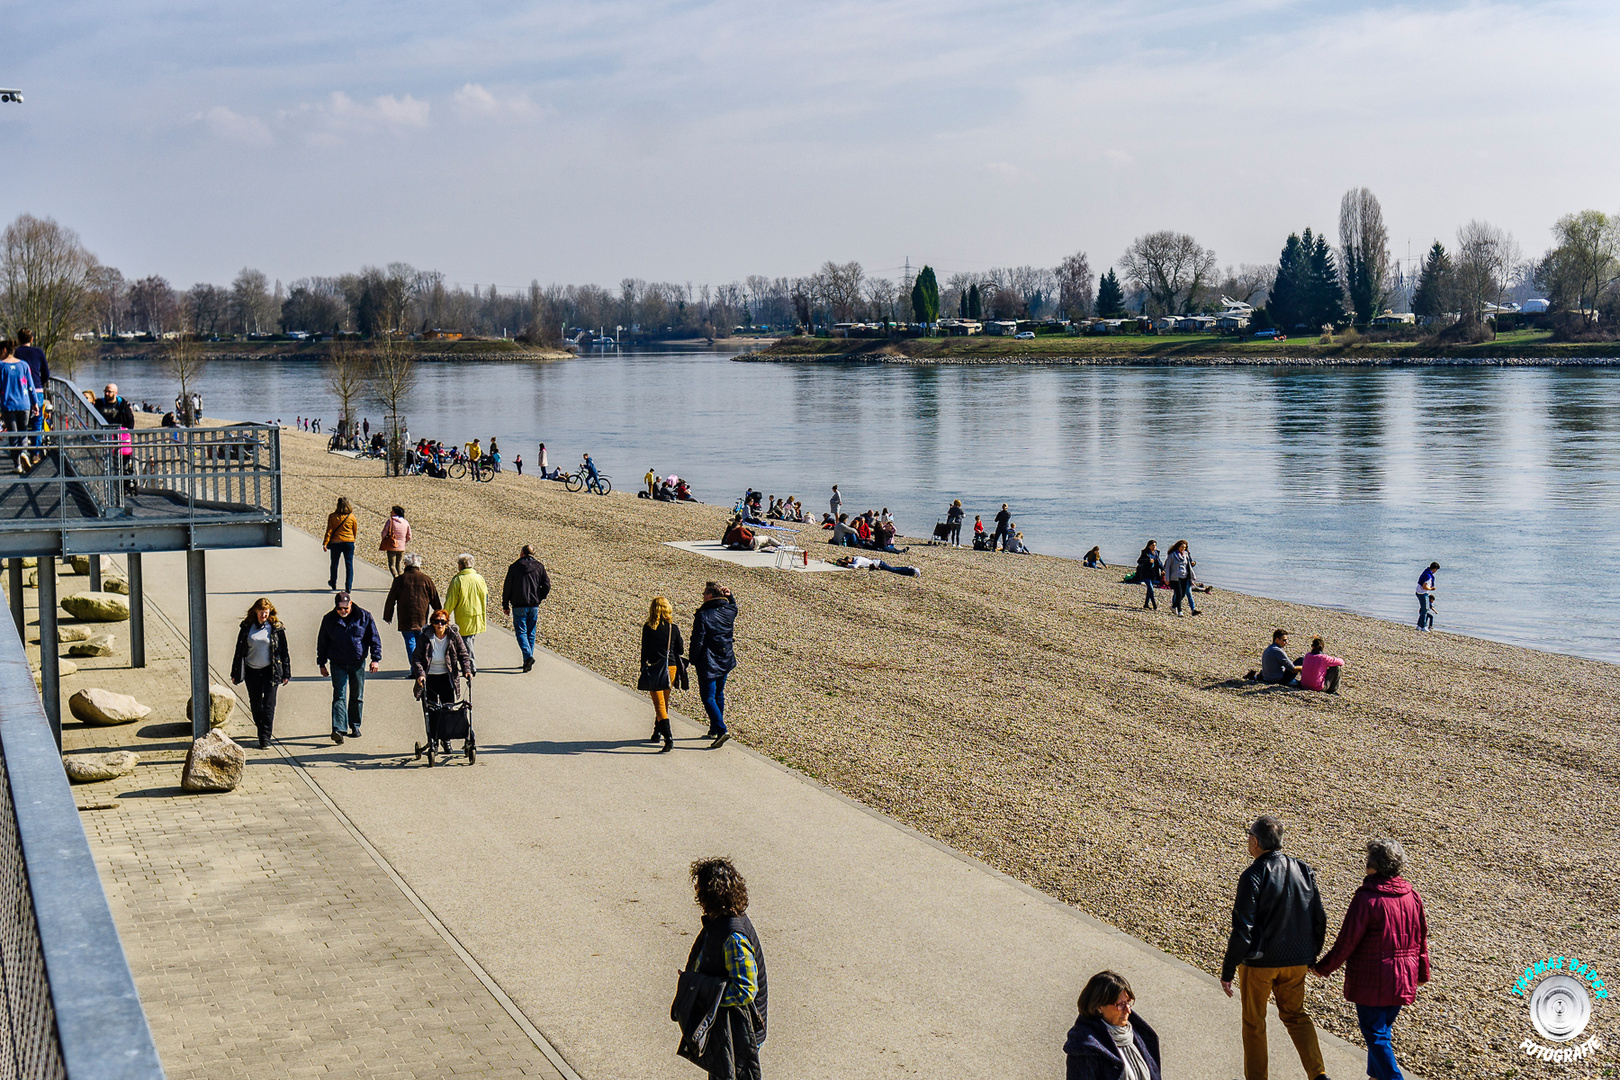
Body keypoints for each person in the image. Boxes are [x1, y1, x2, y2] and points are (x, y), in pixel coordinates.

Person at [1220, 816, 1329, 1080]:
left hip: (1260, 964)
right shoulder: (1303, 869)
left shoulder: (1253, 874)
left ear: (1255, 842)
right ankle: (1318, 1074)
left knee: (1254, 1023)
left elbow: (1242, 928)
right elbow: (1320, 917)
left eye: (1249, 836)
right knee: (1296, 1016)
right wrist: (1311, 955)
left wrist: (1228, 969)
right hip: (1297, 961)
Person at [1311, 839, 1429, 1080]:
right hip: (1403, 976)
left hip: (1372, 979)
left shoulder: (1367, 898)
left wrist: (1322, 968)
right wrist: (1422, 972)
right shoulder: (1412, 896)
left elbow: (1347, 941)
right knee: (1382, 1032)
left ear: (1372, 866)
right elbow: (1421, 938)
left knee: (1376, 1034)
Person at [684, 857, 767, 1080]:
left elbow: (745, 990)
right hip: (727, 1029)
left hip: (738, 1033)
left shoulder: (733, 936)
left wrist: (708, 996)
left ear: (709, 895)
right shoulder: (721, 921)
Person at [1062, 969, 1162, 1080]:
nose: (1128, 1010)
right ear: (1099, 1006)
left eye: (1128, 1002)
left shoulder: (1138, 1034)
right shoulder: (1085, 1050)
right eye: (1120, 1004)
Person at [315, 592, 381, 745]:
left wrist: (375, 659)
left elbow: (374, 639)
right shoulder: (329, 619)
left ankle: (355, 725)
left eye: (345, 608)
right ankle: (338, 729)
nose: (343, 611)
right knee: (339, 695)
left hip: (357, 663)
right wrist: (321, 663)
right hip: (337, 662)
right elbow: (322, 642)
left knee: (357, 695)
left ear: (350, 604)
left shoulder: (364, 617)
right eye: (339, 609)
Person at [230, 598, 291, 749]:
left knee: (269, 705)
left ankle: (265, 738)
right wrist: (235, 672)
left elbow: (284, 652)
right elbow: (239, 651)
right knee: (256, 705)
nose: (264, 615)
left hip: (270, 671)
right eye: (261, 612)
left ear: (270, 612)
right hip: (252, 671)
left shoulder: (276, 628)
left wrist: (286, 673)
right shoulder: (246, 627)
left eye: (266, 612)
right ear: (256, 611)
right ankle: (261, 728)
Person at [411, 608, 474, 753]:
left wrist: (467, 670)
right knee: (432, 711)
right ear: (432, 623)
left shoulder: (453, 636)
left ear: (447, 623)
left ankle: (446, 740)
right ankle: (433, 740)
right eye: (436, 622)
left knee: (447, 709)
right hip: (429, 678)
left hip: (447, 677)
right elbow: (416, 658)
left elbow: (463, 654)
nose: (440, 625)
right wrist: (420, 674)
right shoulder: (425, 637)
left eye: (443, 622)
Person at [689, 581, 736, 747]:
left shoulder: (703, 615)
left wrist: (692, 658)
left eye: (704, 594)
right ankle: (715, 728)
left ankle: (722, 730)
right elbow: (734, 607)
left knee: (708, 697)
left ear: (709, 596)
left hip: (708, 662)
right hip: (725, 659)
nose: (702, 597)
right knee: (719, 694)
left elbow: (697, 640)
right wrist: (731, 597)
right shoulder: (729, 610)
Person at [640, 597, 683, 752]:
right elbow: (681, 650)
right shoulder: (673, 628)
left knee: (659, 704)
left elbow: (644, 650)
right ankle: (657, 732)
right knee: (664, 701)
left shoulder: (648, 627)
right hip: (670, 667)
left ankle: (668, 738)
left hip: (654, 667)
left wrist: (642, 668)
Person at [501, 544, 551, 673]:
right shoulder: (539, 567)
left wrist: (505, 604)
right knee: (531, 632)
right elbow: (546, 584)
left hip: (519, 604)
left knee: (521, 632)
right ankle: (527, 661)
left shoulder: (514, 567)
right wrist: (541, 596)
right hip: (534, 604)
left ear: (522, 553)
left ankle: (528, 657)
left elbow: (507, 587)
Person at [383, 553, 441, 663]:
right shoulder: (426, 579)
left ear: (405, 564)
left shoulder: (400, 580)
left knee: (410, 642)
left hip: (405, 617)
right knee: (421, 642)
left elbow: (391, 599)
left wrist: (388, 615)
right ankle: (422, 666)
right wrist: (439, 613)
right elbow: (434, 598)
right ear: (419, 564)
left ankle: (415, 668)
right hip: (421, 617)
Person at [445, 554, 489, 672]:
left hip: (465, 615)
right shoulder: (480, 578)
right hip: (478, 613)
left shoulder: (458, 580)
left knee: (465, 642)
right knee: (470, 639)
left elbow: (451, 600)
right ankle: (468, 664)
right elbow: (485, 596)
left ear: (460, 566)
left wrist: (445, 614)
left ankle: (470, 666)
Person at [0, 342, 36, 472]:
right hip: (24, 404)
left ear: (4, 350)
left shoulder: (1, 366)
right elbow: (31, 386)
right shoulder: (24, 365)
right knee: (24, 432)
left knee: (13, 435)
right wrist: (35, 403)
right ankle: (24, 453)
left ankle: (17, 465)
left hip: (8, 405)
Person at [12, 330, 48, 457]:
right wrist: (39, 384)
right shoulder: (38, 352)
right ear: (32, 339)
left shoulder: (14, 353)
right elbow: (46, 373)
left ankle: (21, 452)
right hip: (36, 389)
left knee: (20, 421)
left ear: (18, 339)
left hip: (18, 391)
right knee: (37, 421)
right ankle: (35, 453)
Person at [322, 496, 359, 592]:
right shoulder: (351, 517)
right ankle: (348, 586)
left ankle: (333, 583)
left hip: (336, 542)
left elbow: (329, 530)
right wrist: (352, 539)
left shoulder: (333, 516)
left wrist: (325, 543)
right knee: (349, 564)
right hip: (349, 542)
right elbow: (355, 530)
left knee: (334, 564)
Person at [1164, 540, 1199, 616]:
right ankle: (1180, 611)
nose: (1183, 549)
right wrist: (1166, 579)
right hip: (1175, 577)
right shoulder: (1172, 555)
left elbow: (1188, 566)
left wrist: (1193, 576)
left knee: (1183, 594)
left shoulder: (1186, 554)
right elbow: (1167, 567)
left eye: (1184, 547)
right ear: (1178, 547)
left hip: (1185, 576)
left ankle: (1173, 606)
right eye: (1182, 547)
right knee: (1179, 594)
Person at [379, 505, 412, 576]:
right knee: (399, 565)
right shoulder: (405, 522)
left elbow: (384, 533)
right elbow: (409, 536)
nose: (390, 512)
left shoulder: (390, 521)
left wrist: (384, 540)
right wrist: (403, 541)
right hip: (402, 547)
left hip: (391, 545)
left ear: (395, 513)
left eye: (392, 511)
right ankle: (401, 580)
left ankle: (397, 580)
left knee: (392, 565)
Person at [835, 554, 921, 577]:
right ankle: (909, 570)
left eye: (848, 561)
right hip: (877, 564)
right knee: (893, 570)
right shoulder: (856, 559)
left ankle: (912, 570)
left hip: (879, 563)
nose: (848, 563)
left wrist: (845, 566)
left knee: (894, 570)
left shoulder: (857, 560)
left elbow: (855, 566)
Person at [1135, 542, 1162, 610]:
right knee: (1150, 588)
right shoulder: (1145, 553)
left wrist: (1163, 569)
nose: (1154, 547)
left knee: (1149, 589)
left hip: (1153, 573)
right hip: (1145, 573)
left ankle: (1146, 604)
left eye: (1155, 545)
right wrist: (1148, 560)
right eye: (1152, 545)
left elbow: (1159, 562)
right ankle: (1154, 604)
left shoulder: (1156, 553)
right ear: (1149, 546)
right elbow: (1139, 561)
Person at [1415, 562, 1438, 632]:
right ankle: (1423, 626)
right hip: (1422, 593)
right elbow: (1424, 586)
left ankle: (1419, 625)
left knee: (1423, 610)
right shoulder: (1428, 576)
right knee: (1425, 610)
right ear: (1434, 569)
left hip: (1418, 592)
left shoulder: (1426, 571)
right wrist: (1431, 589)